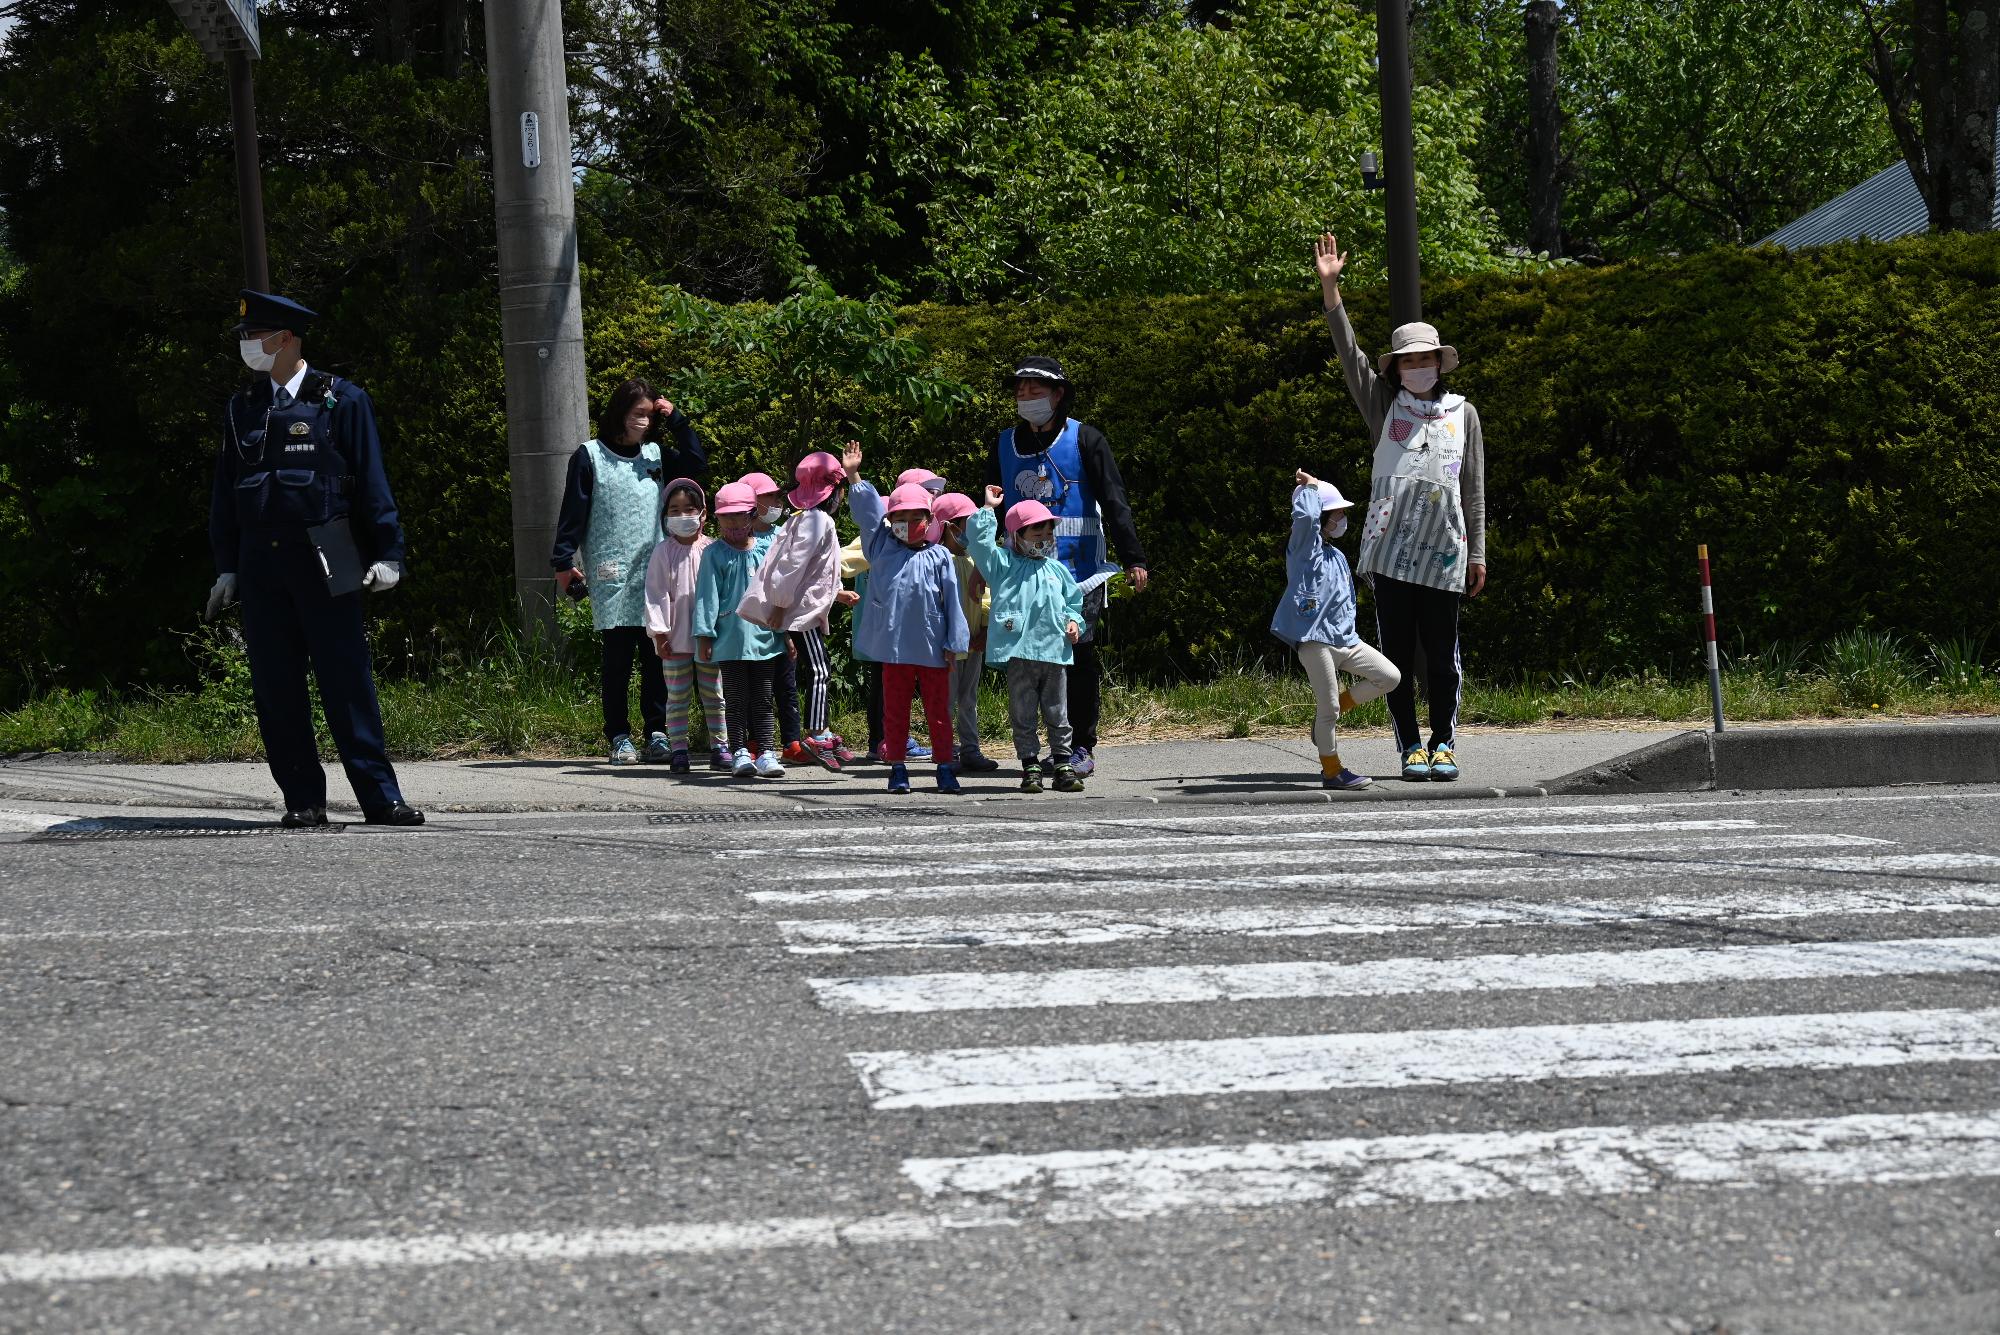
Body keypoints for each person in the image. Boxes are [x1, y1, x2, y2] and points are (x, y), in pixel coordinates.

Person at [204, 289, 423, 828]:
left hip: (327, 554)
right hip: (262, 562)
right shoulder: (242, 409)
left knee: (346, 679)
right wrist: (227, 564)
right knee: (276, 685)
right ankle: (302, 799)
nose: (248, 346)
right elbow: (225, 494)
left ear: (286, 338)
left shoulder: (341, 400)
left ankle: (379, 796)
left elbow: (370, 480)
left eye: (255, 336)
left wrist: (388, 551)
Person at [1314, 232, 1487, 782]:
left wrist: (1478, 553)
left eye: (1426, 358)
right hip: (1389, 553)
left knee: (1441, 654)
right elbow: (1349, 354)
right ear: (1395, 368)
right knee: (1395, 658)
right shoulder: (1382, 407)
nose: (1418, 366)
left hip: (1445, 552)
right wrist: (1331, 290)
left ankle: (1443, 742)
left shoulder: (1465, 413)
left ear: (1440, 361)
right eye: (1408, 359)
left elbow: (1475, 490)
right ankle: (1409, 744)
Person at [990, 355, 1148, 778]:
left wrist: (1134, 557)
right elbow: (991, 507)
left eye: (1035, 390)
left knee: (1077, 655)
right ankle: (1035, 751)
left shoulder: (1087, 440)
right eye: (1020, 390)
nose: (1025, 397)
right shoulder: (1004, 443)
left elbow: (1115, 500)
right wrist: (980, 570)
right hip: (1023, 575)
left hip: (1080, 572)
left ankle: (1080, 746)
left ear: (1058, 395)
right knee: (1027, 660)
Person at [550, 379, 708, 765]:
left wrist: (678, 421)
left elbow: (696, 465)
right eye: (638, 413)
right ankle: (618, 735)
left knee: (659, 653)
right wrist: (563, 561)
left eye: (649, 415)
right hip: (611, 573)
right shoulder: (590, 456)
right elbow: (572, 512)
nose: (643, 421)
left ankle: (657, 731)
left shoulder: (656, 453)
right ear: (620, 412)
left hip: (657, 572)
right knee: (617, 659)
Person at [849, 453, 970, 795]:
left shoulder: (940, 555)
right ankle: (898, 768)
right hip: (894, 651)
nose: (907, 523)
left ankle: (945, 767)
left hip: (933, 650)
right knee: (895, 713)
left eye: (915, 517)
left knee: (939, 713)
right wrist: (854, 477)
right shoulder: (881, 548)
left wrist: (954, 643)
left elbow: (953, 604)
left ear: (929, 519)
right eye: (898, 518)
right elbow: (869, 517)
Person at [1273, 470, 1402, 790]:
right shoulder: (1304, 549)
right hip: (1314, 641)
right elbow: (1303, 519)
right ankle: (1332, 771)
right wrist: (1312, 489)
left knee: (1389, 677)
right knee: (1327, 706)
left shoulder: (1337, 556)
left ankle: (1328, 719)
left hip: (1345, 640)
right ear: (1323, 516)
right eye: (1339, 512)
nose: (1344, 517)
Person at [737, 450, 852, 770]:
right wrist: (779, 605)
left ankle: (822, 729)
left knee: (817, 666)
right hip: (801, 612)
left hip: (804, 607)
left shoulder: (804, 519)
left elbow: (816, 569)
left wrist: (837, 594)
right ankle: (817, 732)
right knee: (819, 669)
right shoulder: (818, 520)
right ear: (832, 492)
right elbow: (791, 566)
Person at [968, 487, 1086, 794]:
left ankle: (1062, 764)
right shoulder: (1002, 565)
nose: (1045, 537)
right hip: (1019, 653)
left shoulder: (1057, 570)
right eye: (1037, 531)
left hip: (1054, 652)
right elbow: (980, 545)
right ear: (1017, 534)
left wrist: (1074, 622)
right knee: (1023, 713)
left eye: (1049, 532)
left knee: (1058, 712)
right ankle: (1030, 766)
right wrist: (987, 509)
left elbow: (1073, 603)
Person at [693, 482, 785, 779]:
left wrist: (787, 634)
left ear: (752, 515)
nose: (733, 524)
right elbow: (706, 596)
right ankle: (739, 752)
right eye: (726, 518)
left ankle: (768, 752)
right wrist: (705, 635)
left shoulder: (767, 550)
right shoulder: (714, 554)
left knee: (763, 696)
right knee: (734, 698)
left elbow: (778, 593)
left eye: (739, 517)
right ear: (717, 519)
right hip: (729, 640)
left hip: (765, 639)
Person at [642, 478, 729, 774]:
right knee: (677, 698)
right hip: (674, 639)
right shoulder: (662, 552)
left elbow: (725, 594)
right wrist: (659, 633)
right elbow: (655, 593)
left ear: (703, 513)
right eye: (674, 510)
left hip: (711, 640)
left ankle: (720, 747)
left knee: (714, 694)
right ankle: (678, 749)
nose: (682, 516)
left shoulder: (715, 550)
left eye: (689, 509)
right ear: (665, 516)